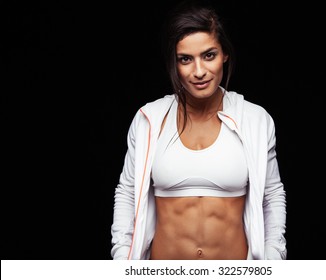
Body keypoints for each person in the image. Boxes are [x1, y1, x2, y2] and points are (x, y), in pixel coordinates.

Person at [110, 0, 287, 260]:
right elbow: (127, 192)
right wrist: (122, 260)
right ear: (175, 63)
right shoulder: (149, 119)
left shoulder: (255, 120)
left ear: (224, 54)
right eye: (185, 59)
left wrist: (272, 261)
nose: (199, 71)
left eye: (209, 55)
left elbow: (272, 196)